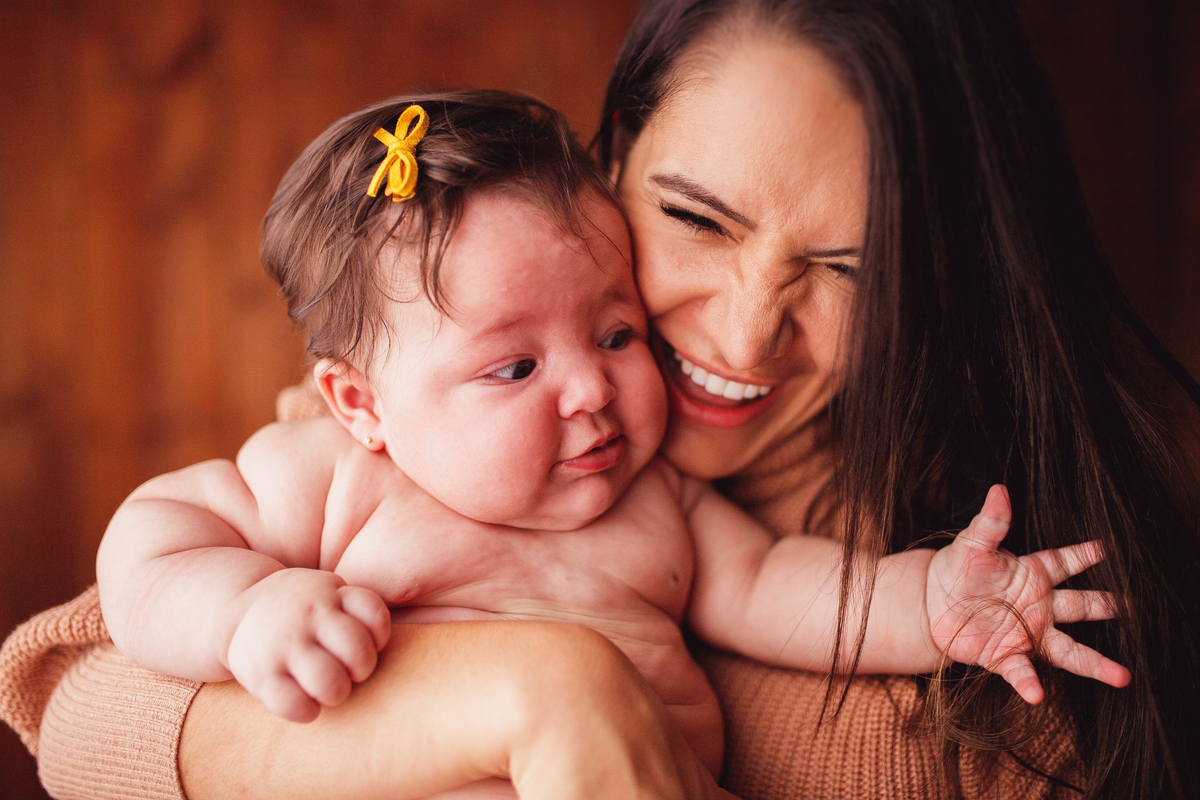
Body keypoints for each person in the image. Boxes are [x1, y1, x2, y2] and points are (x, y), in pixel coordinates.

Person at [2, 1, 1197, 799]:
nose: (594, 391)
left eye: (849, 272)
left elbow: (783, 589)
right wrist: (246, 615)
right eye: (695, 219)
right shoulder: (355, 468)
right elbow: (94, 647)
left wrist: (936, 596)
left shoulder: (659, 505)